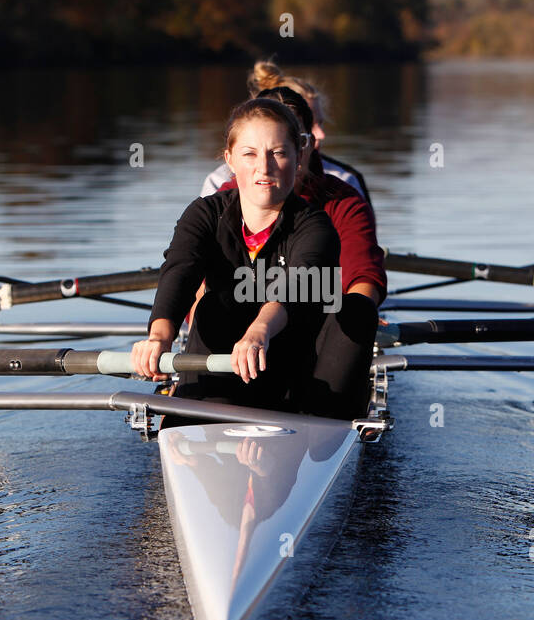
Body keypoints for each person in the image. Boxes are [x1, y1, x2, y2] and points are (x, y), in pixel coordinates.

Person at [132, 97, 340, 413]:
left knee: (348, 310)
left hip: (287, 387)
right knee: (216, 302)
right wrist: (159, 337)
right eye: (250, 154)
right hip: (209, 379)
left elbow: (299, 284)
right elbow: (180, 271)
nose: (264, 166)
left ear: (299, 158)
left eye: (279, 153)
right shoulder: (203, 214)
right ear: (230, 159)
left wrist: (259, 331)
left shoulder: (315, 225)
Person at [215, 85, 386, 419]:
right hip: (242, 343)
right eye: (255, 151)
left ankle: (324, 418)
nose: (269, 164)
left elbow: (363, 279)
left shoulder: (343, 201)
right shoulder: (221, 202)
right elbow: (195, 275)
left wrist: (359, 323)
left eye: (283, 148)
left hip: (319, 342)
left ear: (303, 145)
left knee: (355, 308)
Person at [200, 60, 372, 204]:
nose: (320, 135)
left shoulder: (344, 181)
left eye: (320, 123)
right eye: (309, 125)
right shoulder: (218, 182)